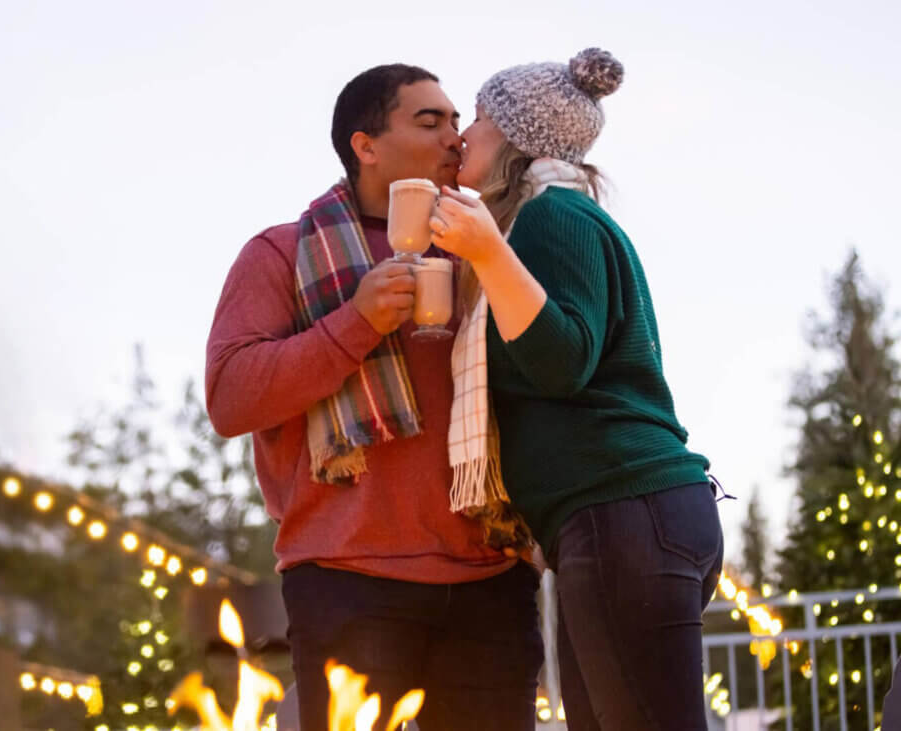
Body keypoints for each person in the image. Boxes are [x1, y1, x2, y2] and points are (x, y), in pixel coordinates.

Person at [205, 64, 543, 731]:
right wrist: (355, 322)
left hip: (490, 583)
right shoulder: (281, 253)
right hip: (347, 583)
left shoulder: (491, 250)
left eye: (457, 120)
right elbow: (230, 398)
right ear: (365, 145)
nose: (456, 136)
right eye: (429, 120)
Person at [429, 48, 726, 730]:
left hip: (624, 513)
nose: (464, 133)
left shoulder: (551, 217)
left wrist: (486, 253)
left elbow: (563, 361)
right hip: (623, 519)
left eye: (479, 116)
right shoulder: (555, 220)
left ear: (518, 138)